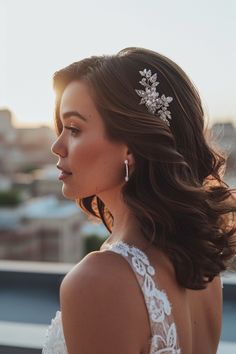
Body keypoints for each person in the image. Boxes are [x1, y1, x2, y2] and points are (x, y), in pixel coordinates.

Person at [42, 47, 236, 354]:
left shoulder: (99, 280)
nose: (57, 146)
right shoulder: (202, 268)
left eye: (75, 129)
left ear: (131, 146)